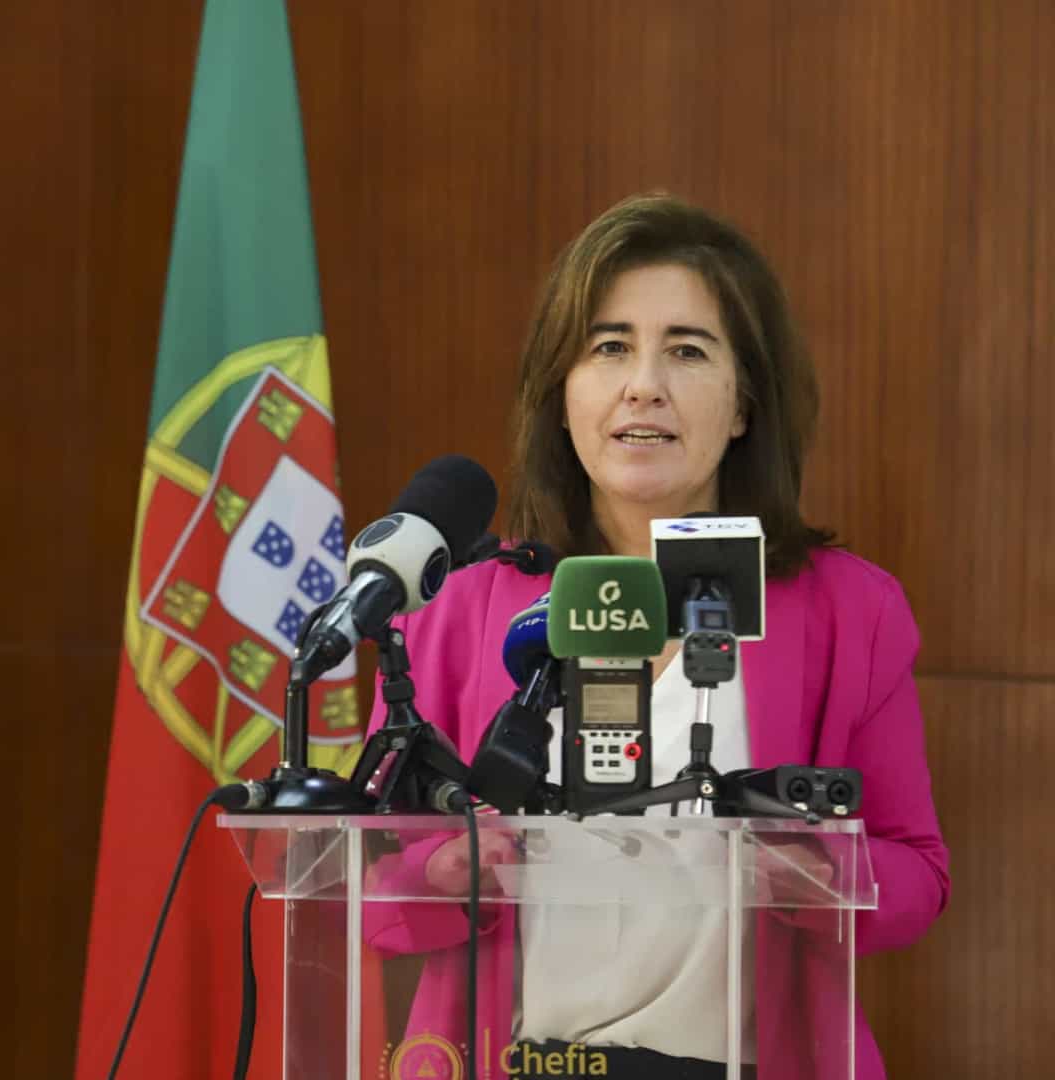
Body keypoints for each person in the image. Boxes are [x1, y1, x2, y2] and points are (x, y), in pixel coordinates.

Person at [360, 193, 948, 1079]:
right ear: (562, 395)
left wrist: (817, 875)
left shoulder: (847, 611)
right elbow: (368, 884)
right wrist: (444, 877)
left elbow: (917, 878)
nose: (644, 384)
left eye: (687, 349)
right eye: (609, 348)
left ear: (744, 403)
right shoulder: (456, 610)